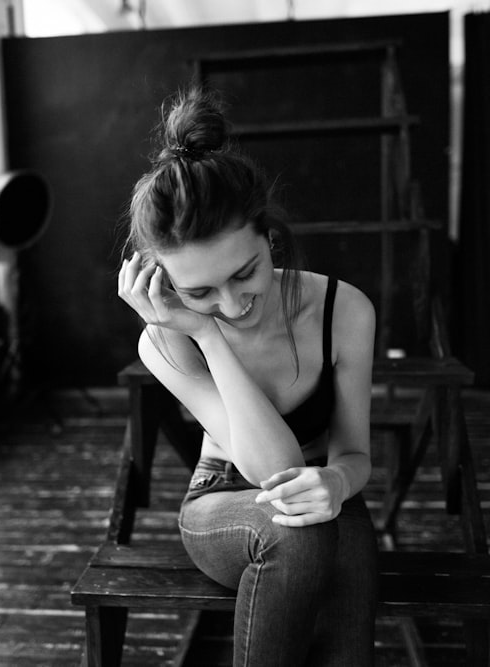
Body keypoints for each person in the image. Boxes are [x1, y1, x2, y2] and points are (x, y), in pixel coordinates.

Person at [118, 86, 378, 666]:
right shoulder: (167, 338)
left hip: (326, 482)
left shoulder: (345, 310)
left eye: (246, 273)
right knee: (298, 532)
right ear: (166, 284)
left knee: (349, 550)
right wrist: (206, 335)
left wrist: (337, 483)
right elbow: (274, 472)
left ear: (270, 237)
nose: (233, 304)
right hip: (224, 500)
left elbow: (355, 454)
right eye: (200, 291)